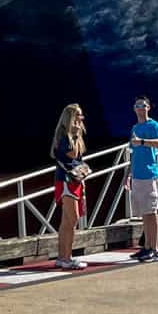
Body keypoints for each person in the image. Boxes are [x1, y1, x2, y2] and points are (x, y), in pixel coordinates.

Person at [51, 102, 89, 270]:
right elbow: (69, 157)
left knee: (67, 220)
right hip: (66, 180)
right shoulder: (65, 137)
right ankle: (66, 257)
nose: (81, 118)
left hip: (75, 180)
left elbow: (77, 158)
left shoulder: (75, 136)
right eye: (78, 115)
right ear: (70, 118)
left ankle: (63, 256)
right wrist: (74, 133)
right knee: (71, 219)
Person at [127, 95, 158, 263]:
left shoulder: (153, 125)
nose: (140, 108)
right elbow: (132, 152)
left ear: (148, 107)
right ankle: (147, 246)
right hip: (137, 174)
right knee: (144, 213)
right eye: (137, 105)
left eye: (143, 105)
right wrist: (128, 174)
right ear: (134, 109)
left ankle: (154, 249)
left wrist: (142, 141)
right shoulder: (135, 127)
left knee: (151, 212)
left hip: (149, 174)